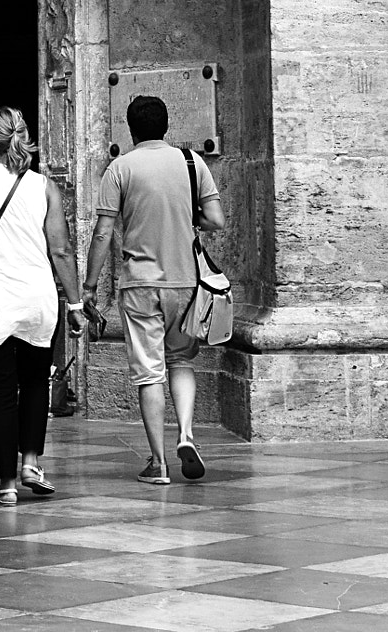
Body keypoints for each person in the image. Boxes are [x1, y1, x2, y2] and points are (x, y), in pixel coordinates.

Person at [82, 94, 224, 486]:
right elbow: (216, 219)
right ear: (166, 125)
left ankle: (158, 464)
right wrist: (183, 214)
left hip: (141, 283)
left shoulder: (120, 168)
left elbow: (103, 232)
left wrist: (90, 286)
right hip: (186, 282)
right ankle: (187, 435)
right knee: (181, 362)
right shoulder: (191, 162)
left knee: (149, 373)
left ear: (131, 128)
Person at [0, 107, 84, 505]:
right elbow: (60, 249)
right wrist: (74, 303)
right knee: (35, 381)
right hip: (35, 296)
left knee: (0, 390)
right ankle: (31, 461)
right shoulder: (43, 186)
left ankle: (7, 483)